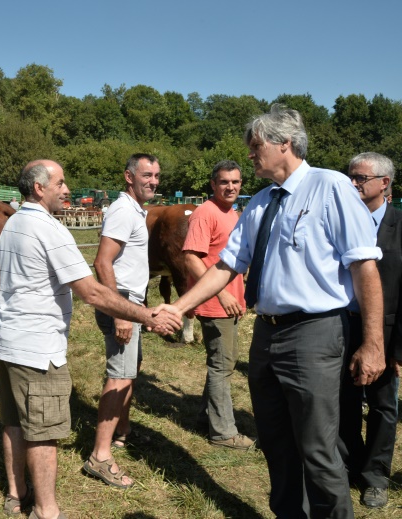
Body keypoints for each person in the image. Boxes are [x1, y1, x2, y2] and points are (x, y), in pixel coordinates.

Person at [154, 104, 384, 519]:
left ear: (285, 144)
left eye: (256, 146)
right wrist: (179, 306)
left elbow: (364, 267)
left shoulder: (330, 187)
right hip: (267, 333)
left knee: (317, 448)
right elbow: (225, 266)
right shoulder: (261, 202)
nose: (250, 154)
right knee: (276, 442)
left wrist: (373, 343)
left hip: (315, 332)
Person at [0, 159, 181, 519]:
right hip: (37, 349)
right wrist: (145, 315)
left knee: (14, 422)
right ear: (39, 188)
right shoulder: (49, 229)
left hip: (6, 341)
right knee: (43, 432)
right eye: (60, 183)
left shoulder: (13, 222)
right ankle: (46, 511)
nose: (67, 190)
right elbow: (91, 291)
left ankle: (17, 494)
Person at [86, 153, 159, 489]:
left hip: (131, 301)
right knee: (119, 375)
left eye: (156, 176)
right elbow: (103, 262)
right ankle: (99, 457)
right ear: (129, 177)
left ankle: (121, 432)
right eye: (146, 175)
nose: (153, 181)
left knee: (130, 369)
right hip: (122, 303)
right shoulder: (122, 211)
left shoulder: (134, 210)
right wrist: (120, 313)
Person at [338, 152, 402, 509]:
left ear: (384, 183)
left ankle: (376, 477)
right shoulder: (341, 220)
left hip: (386, 333)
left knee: (382, 405)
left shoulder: (400, 226)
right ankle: (349, 464)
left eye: (360, 178)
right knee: (343, 399)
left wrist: (398, 349)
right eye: (350, 176)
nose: (353, 183)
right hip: (341, 326)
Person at [182, 160, 253, 450]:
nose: (230, 187)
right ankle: (223, 433)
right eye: (224, 181)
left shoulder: (231, 212)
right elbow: (191, 258)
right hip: (215, 302)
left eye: (235, 182)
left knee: (224, 361)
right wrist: (221, 294)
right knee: (222, 365)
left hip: (230, 300)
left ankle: (206, 418)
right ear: (213, 184)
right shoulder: (206, 213)